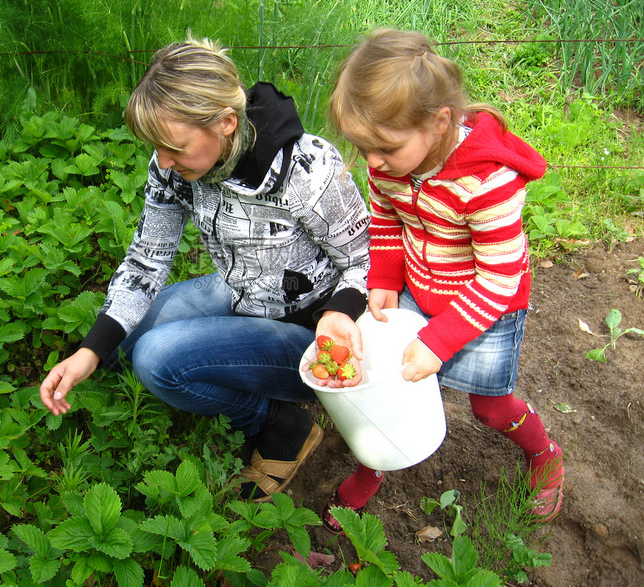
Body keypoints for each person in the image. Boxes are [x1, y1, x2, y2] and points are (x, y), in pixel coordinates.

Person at [39, 37, 372, 501]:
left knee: (156, 360)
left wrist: (338, 315)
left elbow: (366, 259)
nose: (163, 161)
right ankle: (156, 355)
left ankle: (282, 422)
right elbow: (146, 258)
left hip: (309, 326)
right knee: (121, 345)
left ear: (226, 123)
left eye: (174, 147)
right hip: (240, 292)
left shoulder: (305, 168)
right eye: (156, 147)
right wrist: (89, 351)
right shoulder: (174, 165)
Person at [320, 28, 565, 533]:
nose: (371, 161)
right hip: (418, 288)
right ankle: (376, 462)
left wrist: (440, 339)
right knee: (389, 384)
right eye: (362, 147)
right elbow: (386, 219)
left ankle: (545, 454)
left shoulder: (487, 182)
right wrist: (385, 276)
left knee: (491, 409)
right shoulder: (389, 161)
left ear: (439, 122)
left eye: (383, 147)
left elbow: (498, 276)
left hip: (486, 305)